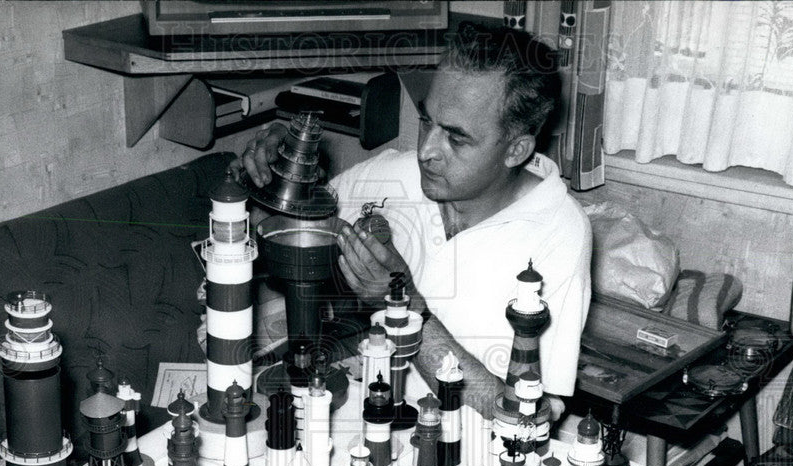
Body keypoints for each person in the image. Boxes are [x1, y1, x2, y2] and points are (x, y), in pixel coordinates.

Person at [235, 23, 592, 421]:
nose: (426, 151)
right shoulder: (396, 173)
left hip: (463, 459)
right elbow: (284, 230)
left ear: (516, 149)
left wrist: (407, 311)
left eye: (456, 138)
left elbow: (529, 415)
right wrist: (279, 164)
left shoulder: (560, 232)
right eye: (426, 121)